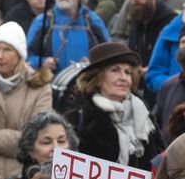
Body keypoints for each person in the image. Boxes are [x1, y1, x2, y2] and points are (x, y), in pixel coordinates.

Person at [0, 21, 53, 179]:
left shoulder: (40, 88)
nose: (0, 56)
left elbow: (33, 138)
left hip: (21, 178)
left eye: (7, 49)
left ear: (20, 54)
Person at [64, 42, 163, 171]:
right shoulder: (78, 119)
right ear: (97, 77)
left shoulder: (144, 114)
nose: (123, 78)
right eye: (115, 70)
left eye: (127, 72)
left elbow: (159, 161)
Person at [25, 0, 111, 73]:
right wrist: (43, 62)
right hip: (50, 86)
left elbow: (109, 55)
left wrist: (93, 62)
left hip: (87, 85)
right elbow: (26, 56)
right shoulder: (42, 22)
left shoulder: (93, 21)